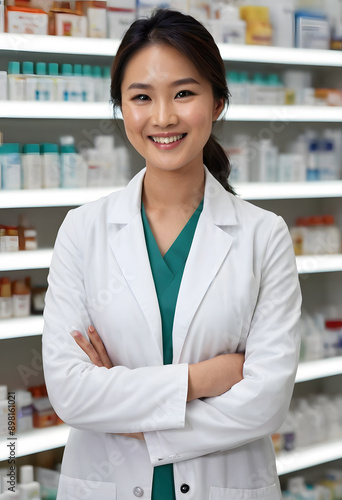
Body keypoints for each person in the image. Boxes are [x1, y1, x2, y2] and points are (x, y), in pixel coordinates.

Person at [42, 8, 302, 500]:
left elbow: (265, 404)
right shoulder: (82, 230)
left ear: (218, 101)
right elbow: (72, 394)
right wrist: (205, 379)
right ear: (122, 107)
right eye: (141, 97)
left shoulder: (264, 236)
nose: (162, 117)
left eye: (184, 93)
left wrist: (134, 416)